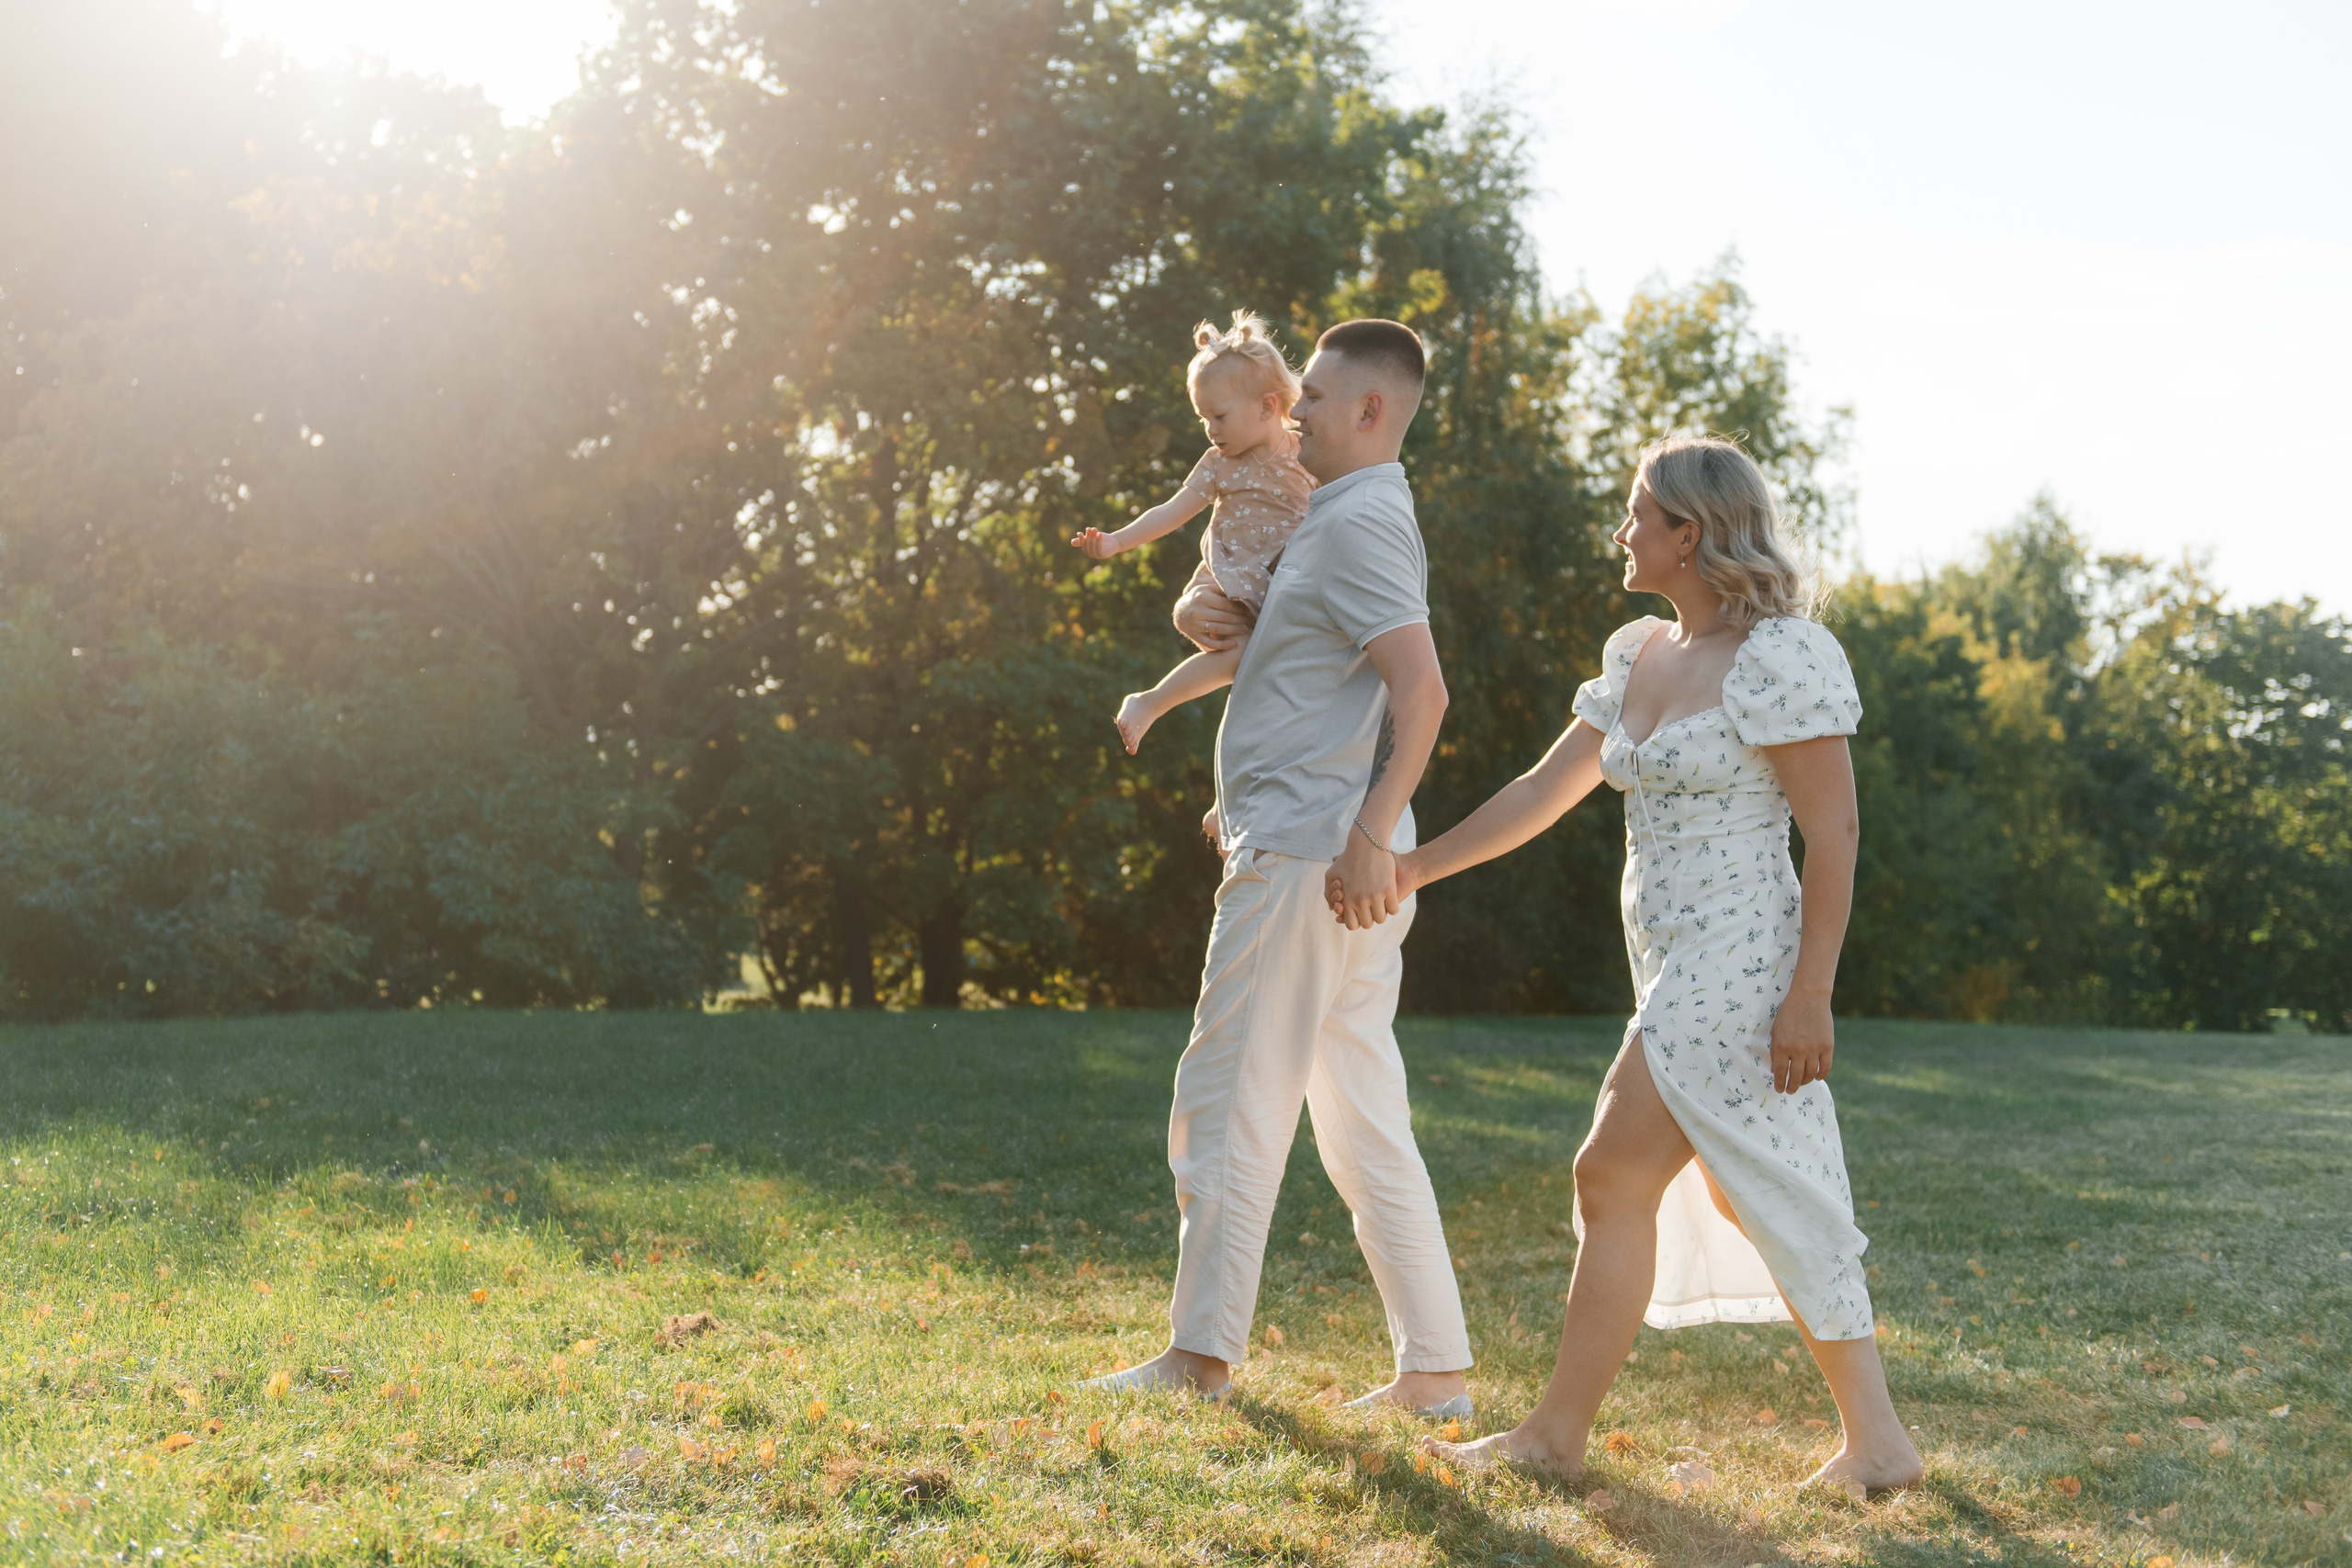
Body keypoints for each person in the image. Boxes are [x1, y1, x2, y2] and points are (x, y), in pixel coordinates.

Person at [1388, 435, 1923, 1492]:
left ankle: (1552, 1435)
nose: (1623, 532)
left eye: (1639, 514)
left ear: (1688, 531)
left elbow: (1837, 833)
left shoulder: (1779, 655)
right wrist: (1414, 869)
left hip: (1742, 965)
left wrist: (1808, 994)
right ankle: (1879, 1444)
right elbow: (1544, 791)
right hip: (1669, 962)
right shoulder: (1639, 654)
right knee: (1757, 1190)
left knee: (1613, 1171)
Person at [1083, 319, 1473, 1416]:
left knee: (1227, 1093)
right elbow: (1303, 680)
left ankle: (1199, 1358)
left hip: (1316, 858)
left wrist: (1365, 831)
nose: (1293, 410)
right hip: (1313, 844)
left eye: (1315, 395)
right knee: (1358, 1114)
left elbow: (1422, 690)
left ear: (1371, 411)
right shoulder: (1331, 514)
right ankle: (1434, 1372)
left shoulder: (1358, 526)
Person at [1070, 312, 1314, 754]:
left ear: (1267, 406)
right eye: (1203, 417)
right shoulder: (1220, 463)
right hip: (1228, 579)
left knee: (1279, 676)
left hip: (1281, 587)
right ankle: (1149, 703)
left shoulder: (1307, 455)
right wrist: (1117, 541)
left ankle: (1238, 793)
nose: (1210, 429)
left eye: (1219, 416)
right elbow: (1172, 511)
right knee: (1240, 658)